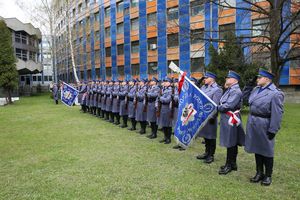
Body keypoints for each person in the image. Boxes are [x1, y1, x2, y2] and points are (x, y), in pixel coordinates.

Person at [244, 69, 284, 186]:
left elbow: (277, 113)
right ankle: (259, 173)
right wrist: (248, 86)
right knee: (257, 149)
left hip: (264, 123)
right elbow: (246, 99)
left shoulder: (275, 93)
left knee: (267, 151)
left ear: (267, 79)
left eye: (259, 78)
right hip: (253, 122)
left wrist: (273, 129)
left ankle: (268, 175)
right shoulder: (256, 89)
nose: (257, 79)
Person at [218, 70, 245, 175]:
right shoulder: (230, 89)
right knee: (231, 142)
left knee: (231, 142)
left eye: (229, 78)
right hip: (228, 118)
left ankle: (229, 165)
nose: (226, 79)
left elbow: (228, 105)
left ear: (235, 80)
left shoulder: (235, 91)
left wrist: (217, 108)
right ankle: (232, 164)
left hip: (231, 119)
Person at [196, 72, 223, 164]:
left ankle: (211, 155)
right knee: (205, 136)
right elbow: (196, 93)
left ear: (212, 79)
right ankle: (206, 152)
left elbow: (216, 104)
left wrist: (212, 116)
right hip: (202, 115)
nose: (204, 79)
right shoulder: (204, 87)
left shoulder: (217, 89)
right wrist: (198, 82)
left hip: (211, 116)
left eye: (206, 78)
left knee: (211, 136)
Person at [158, 77, 173, 144]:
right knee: (164, 124)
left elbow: (167, 100)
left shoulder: (170, 90)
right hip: (163, 107)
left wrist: (160, 98)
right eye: (165, 81)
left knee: (168, 124)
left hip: (167, 108)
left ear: (170, 83)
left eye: (166, 81)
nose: (165, 83)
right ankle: (165, 137)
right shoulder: (163, 89)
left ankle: (168, 139)